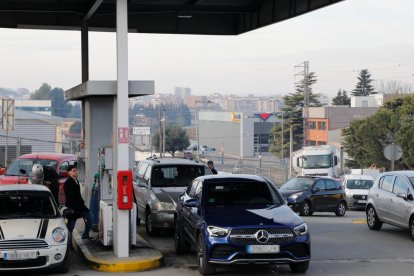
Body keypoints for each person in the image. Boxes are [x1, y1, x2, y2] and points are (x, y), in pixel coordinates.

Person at [64, 164, 91, 240]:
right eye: (74, 171)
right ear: (69, 172)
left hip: (81, 207)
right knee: (70, 228)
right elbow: (69, 198)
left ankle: (85, 235)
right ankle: (68, 244)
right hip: (73, 209)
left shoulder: (76, 181)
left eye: (76, 171)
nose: (76, 172)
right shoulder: (67, 183)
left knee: (90, 217)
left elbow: (78, 195)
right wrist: (71, 209)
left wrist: (82, 202)